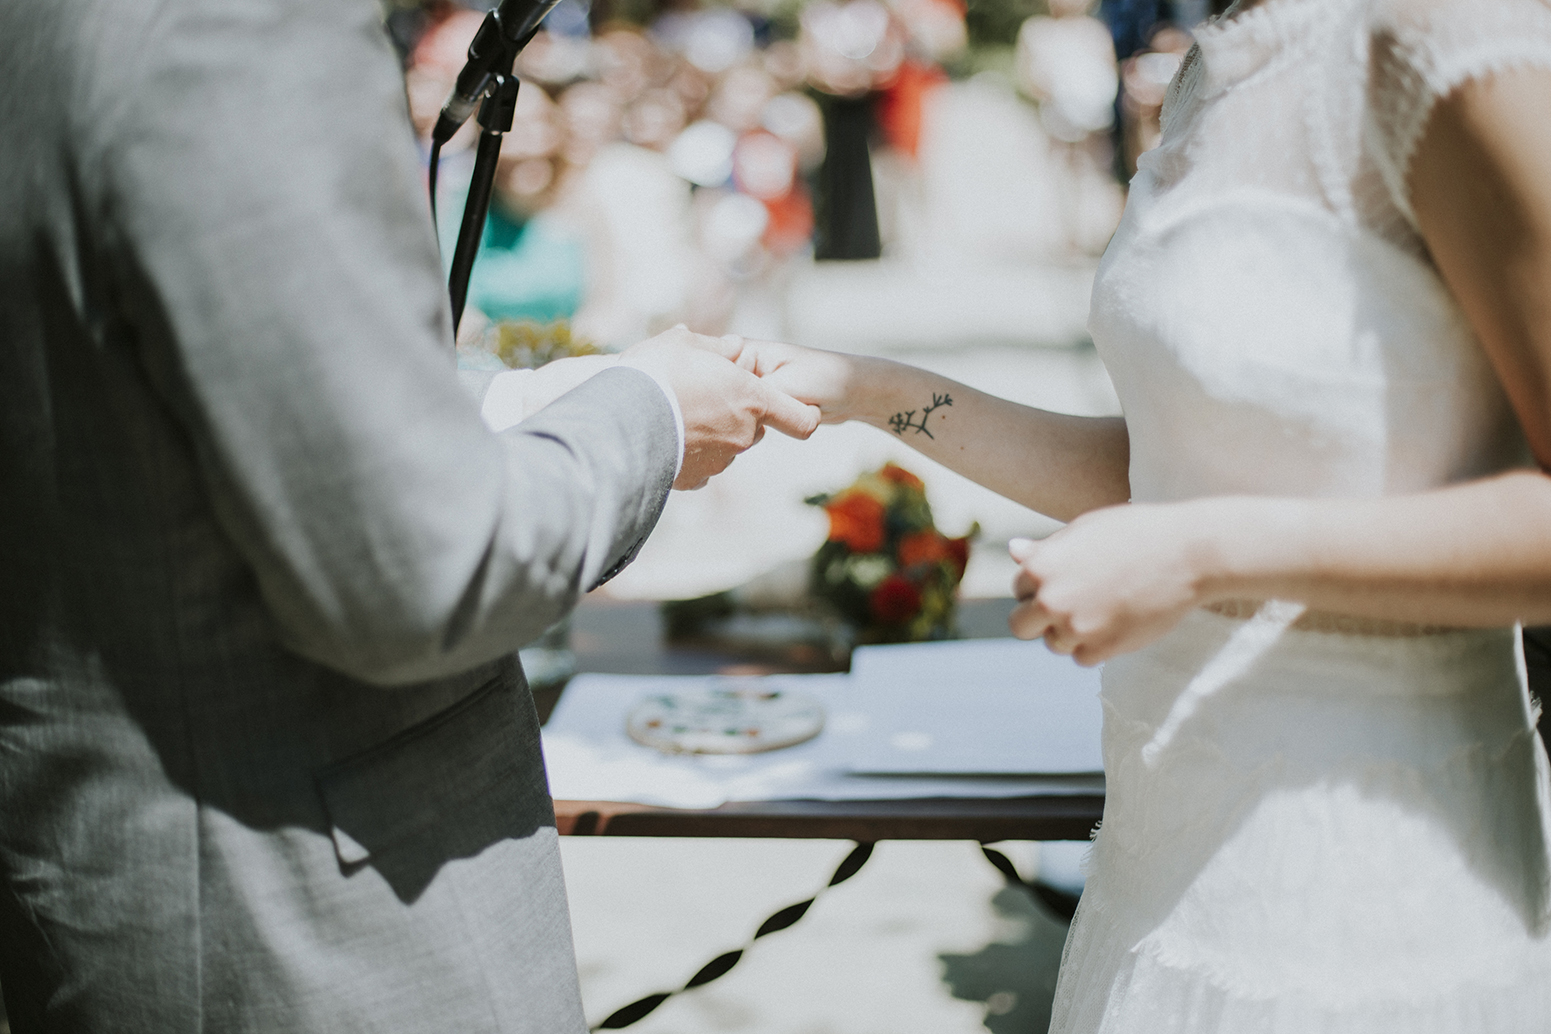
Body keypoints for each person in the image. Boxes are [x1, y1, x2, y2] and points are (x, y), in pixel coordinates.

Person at [0, 0, 817, 1030]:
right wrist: (649, 414)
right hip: (298, 923)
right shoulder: (239, 31)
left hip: (118, 880)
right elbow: (421, 572)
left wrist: (518, 400)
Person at [731, 0, 1551, 1026]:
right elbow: (1175, 468)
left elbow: (1203, 522)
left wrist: (1205, 552)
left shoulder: (1442, 37)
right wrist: (869, 390)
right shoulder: (1219, 60)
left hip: (1366, 886)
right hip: (1163, 862)